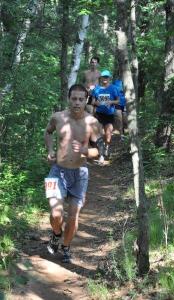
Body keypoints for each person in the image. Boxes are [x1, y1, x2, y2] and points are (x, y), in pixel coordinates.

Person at [44, 84, 104, 263]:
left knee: (73, 216)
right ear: (68, 99)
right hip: (56, 171)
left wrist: (85, 150)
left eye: (81, 99)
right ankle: (56, 234)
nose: (77, 102)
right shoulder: (58, 117)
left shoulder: (92, 122)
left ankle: (66, 247)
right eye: (74, 98)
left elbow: (99, 152)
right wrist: (50, 150)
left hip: (80, 174)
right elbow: (48, 133)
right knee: (55, 214)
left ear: (86, 100)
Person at [92, 70, 120, 164]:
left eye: (107, 77)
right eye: (104, 77)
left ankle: (107, 147)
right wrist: (96, 103)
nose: (105, 79)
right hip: (99, 114)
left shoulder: (113, 88)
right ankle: (101, 155)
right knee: (100, 134)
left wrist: (111, 102)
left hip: (109, 115)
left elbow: (118, 101)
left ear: (109, 78)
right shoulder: (96, 89)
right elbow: (92, 102)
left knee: (108, 136)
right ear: (101, 78)